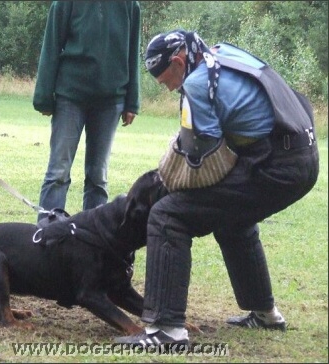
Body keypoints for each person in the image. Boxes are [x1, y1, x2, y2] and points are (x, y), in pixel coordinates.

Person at [115, 29, 319, 346]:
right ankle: (265, 314)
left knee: (168, 215)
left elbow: (200, 152)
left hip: (276, 164)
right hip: (301, 155)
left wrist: (168, 183)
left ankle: (166, 331)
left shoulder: (197, 83)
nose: (168, 88)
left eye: (165, 79)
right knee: (231, 218)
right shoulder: (222, 53)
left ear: (179, 62)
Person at [33, 1, 141, 221]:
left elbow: (132, 51)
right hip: (70, 96)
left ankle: (93, 238)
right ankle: (47, 234)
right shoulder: (65, 4)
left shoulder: (130, 5)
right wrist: (44, 97)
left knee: (98, 177)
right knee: (58, 172)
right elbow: (51, 46)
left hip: (111, 100)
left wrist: (132, 102)